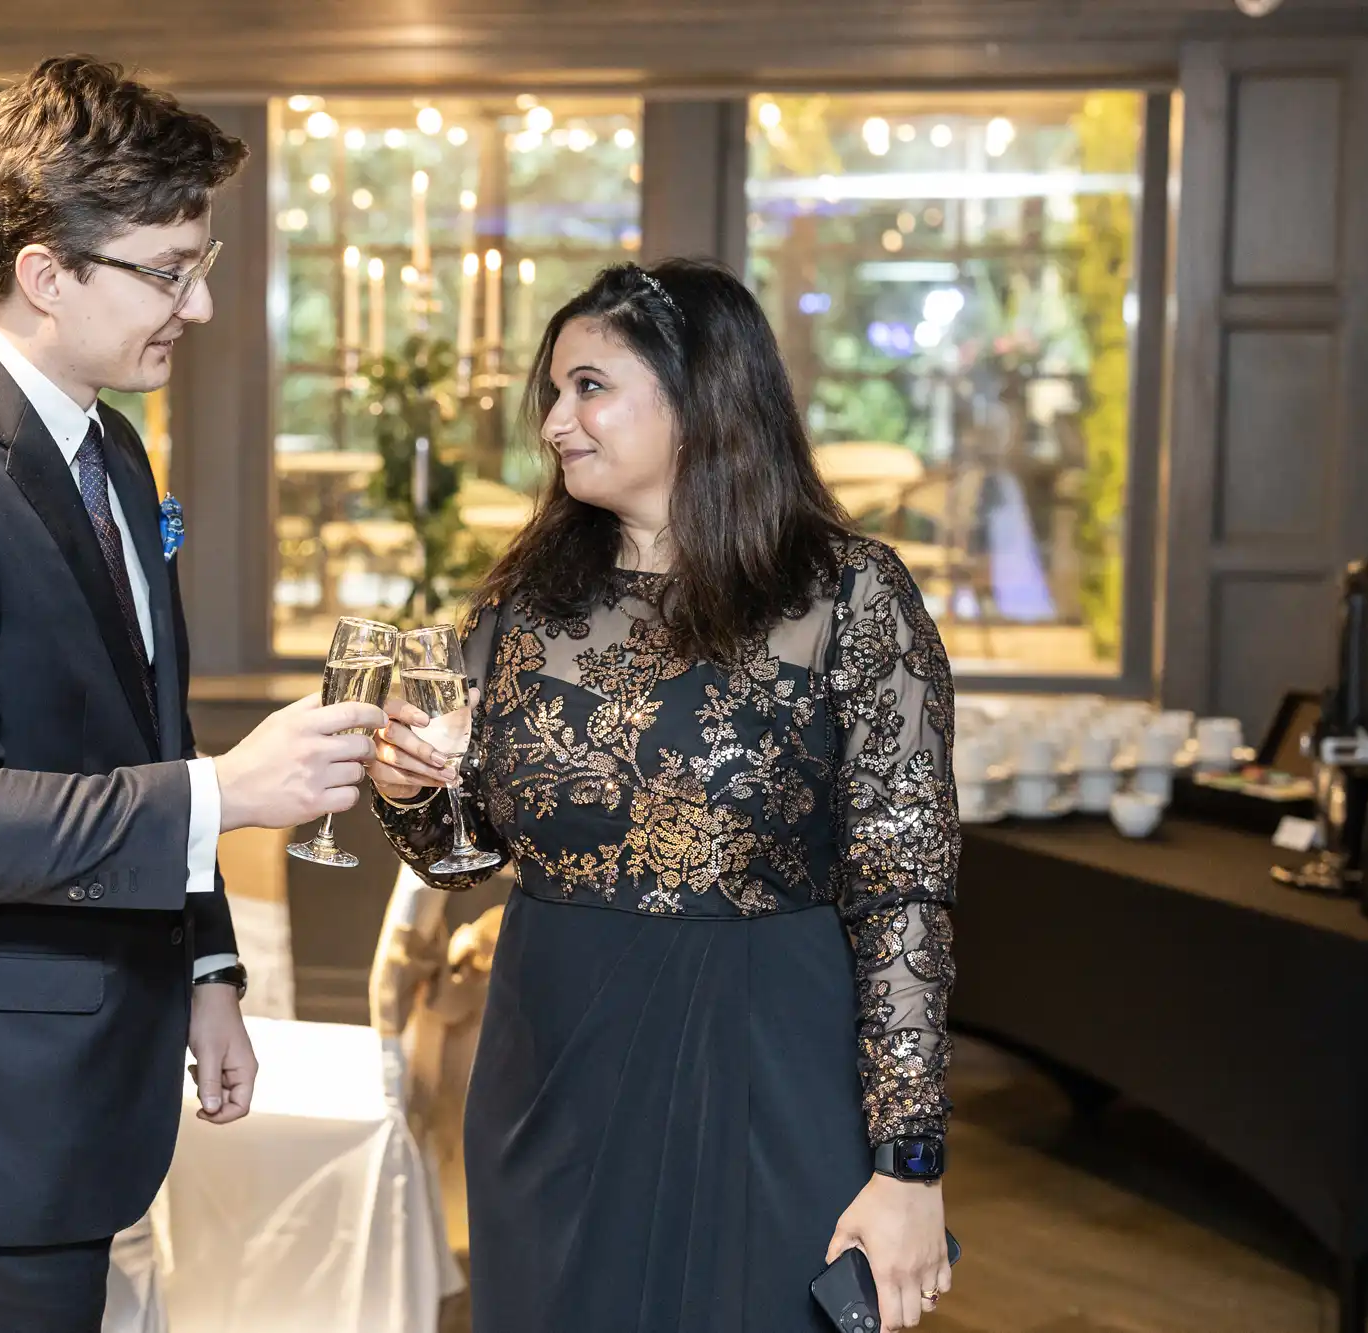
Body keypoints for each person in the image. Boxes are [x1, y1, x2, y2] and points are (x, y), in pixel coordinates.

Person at [0, 56, 384, 1333]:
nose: (204, 304)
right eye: (170, 270)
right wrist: (231, 793)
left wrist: (210, 962)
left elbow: (141, 725)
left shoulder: (106, 438)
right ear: (47, 271)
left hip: (86, 1093)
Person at [364, 259, 960, 1332]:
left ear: (701, 397)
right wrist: (411, 793)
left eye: (589, 387)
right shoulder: (527, 599)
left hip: (768, 1061)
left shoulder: (848, 594)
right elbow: (465, 855)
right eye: (552, 393)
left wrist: (908, 1164)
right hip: (549, 1060)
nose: (555, 422)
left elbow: (904, 896)